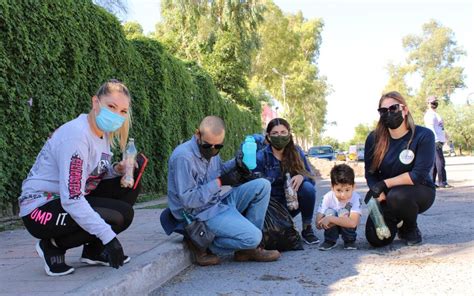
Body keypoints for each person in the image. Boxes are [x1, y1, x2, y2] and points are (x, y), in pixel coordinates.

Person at [19, 79, 145, 276]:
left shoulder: (102, 135)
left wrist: (117, 170)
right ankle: (52, 246)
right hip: (40, 208)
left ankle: (93, 252)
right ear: (96, 103)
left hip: (65, 199)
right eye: (111, 106)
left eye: (122, 111)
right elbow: (72, 198)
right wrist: (109, 238)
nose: (117, 115)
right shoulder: (76, 136)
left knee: (130, 185)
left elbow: (92, 175)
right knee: (119, 215)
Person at [161, 116, 280, 266]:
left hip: (217, 202)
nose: (212, 150)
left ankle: (247, 250)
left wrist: (237, 163)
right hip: (198, 213)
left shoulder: (211, 149)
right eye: (208, 146)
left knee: (262, 185)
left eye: (218, 147)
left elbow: (219, 170)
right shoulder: (183, 157)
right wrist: (220, 182)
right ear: (197, 135)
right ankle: (200, 242)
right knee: (255, 237)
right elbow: (188, 200)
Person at [364, 91, 436, 247]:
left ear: (405, 110)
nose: (388, 113)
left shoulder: (424, 135)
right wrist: (379, 191)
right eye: (383, 110)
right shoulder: (373, 139)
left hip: (418, 190)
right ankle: (396, 218)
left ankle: (409, 227)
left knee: (398, 195)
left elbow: (418, 175)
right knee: (376, 239)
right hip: (388, 195)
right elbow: (370, 174)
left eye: (394, 108)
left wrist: (383, 184)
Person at [253, 118, 319, 245]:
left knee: (308, 188)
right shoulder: (261, 157)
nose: (280, 136)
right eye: (275, 133)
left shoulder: (297, 151)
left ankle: (307, 228)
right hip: (270, 207)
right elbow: (254, 186)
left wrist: (302, 176)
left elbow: (311, 178)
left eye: (283, 132)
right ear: (268, 136)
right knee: (273, 235)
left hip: (292, 203)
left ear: (289, 134)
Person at [316, 164, 361, 251]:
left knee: (343, 212)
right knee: (329, 211)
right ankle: (330, 240)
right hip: (334, 225)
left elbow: (353, 223)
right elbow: (318, 224)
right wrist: (327, 219)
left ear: (354, 186)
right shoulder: (327, 197)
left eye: (347, 190)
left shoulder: (356, 197)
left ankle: (349, 240)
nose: (343, 195)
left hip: (347, 224)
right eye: (339, 190)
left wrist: (331, 219)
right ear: (332, 187)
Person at [424, 96, 453, 188]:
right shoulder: (429, 115)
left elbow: (440, 127)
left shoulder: (435, 114)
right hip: (435, 140)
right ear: (428, 103)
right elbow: (431, 128)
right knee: (440, 161)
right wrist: (436, 140)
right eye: (432, 102)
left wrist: (445, 137)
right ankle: (442, 182)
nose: (434, 103)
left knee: (435, 163)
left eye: (435, 102)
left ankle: (431, 182)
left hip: (439, 140)